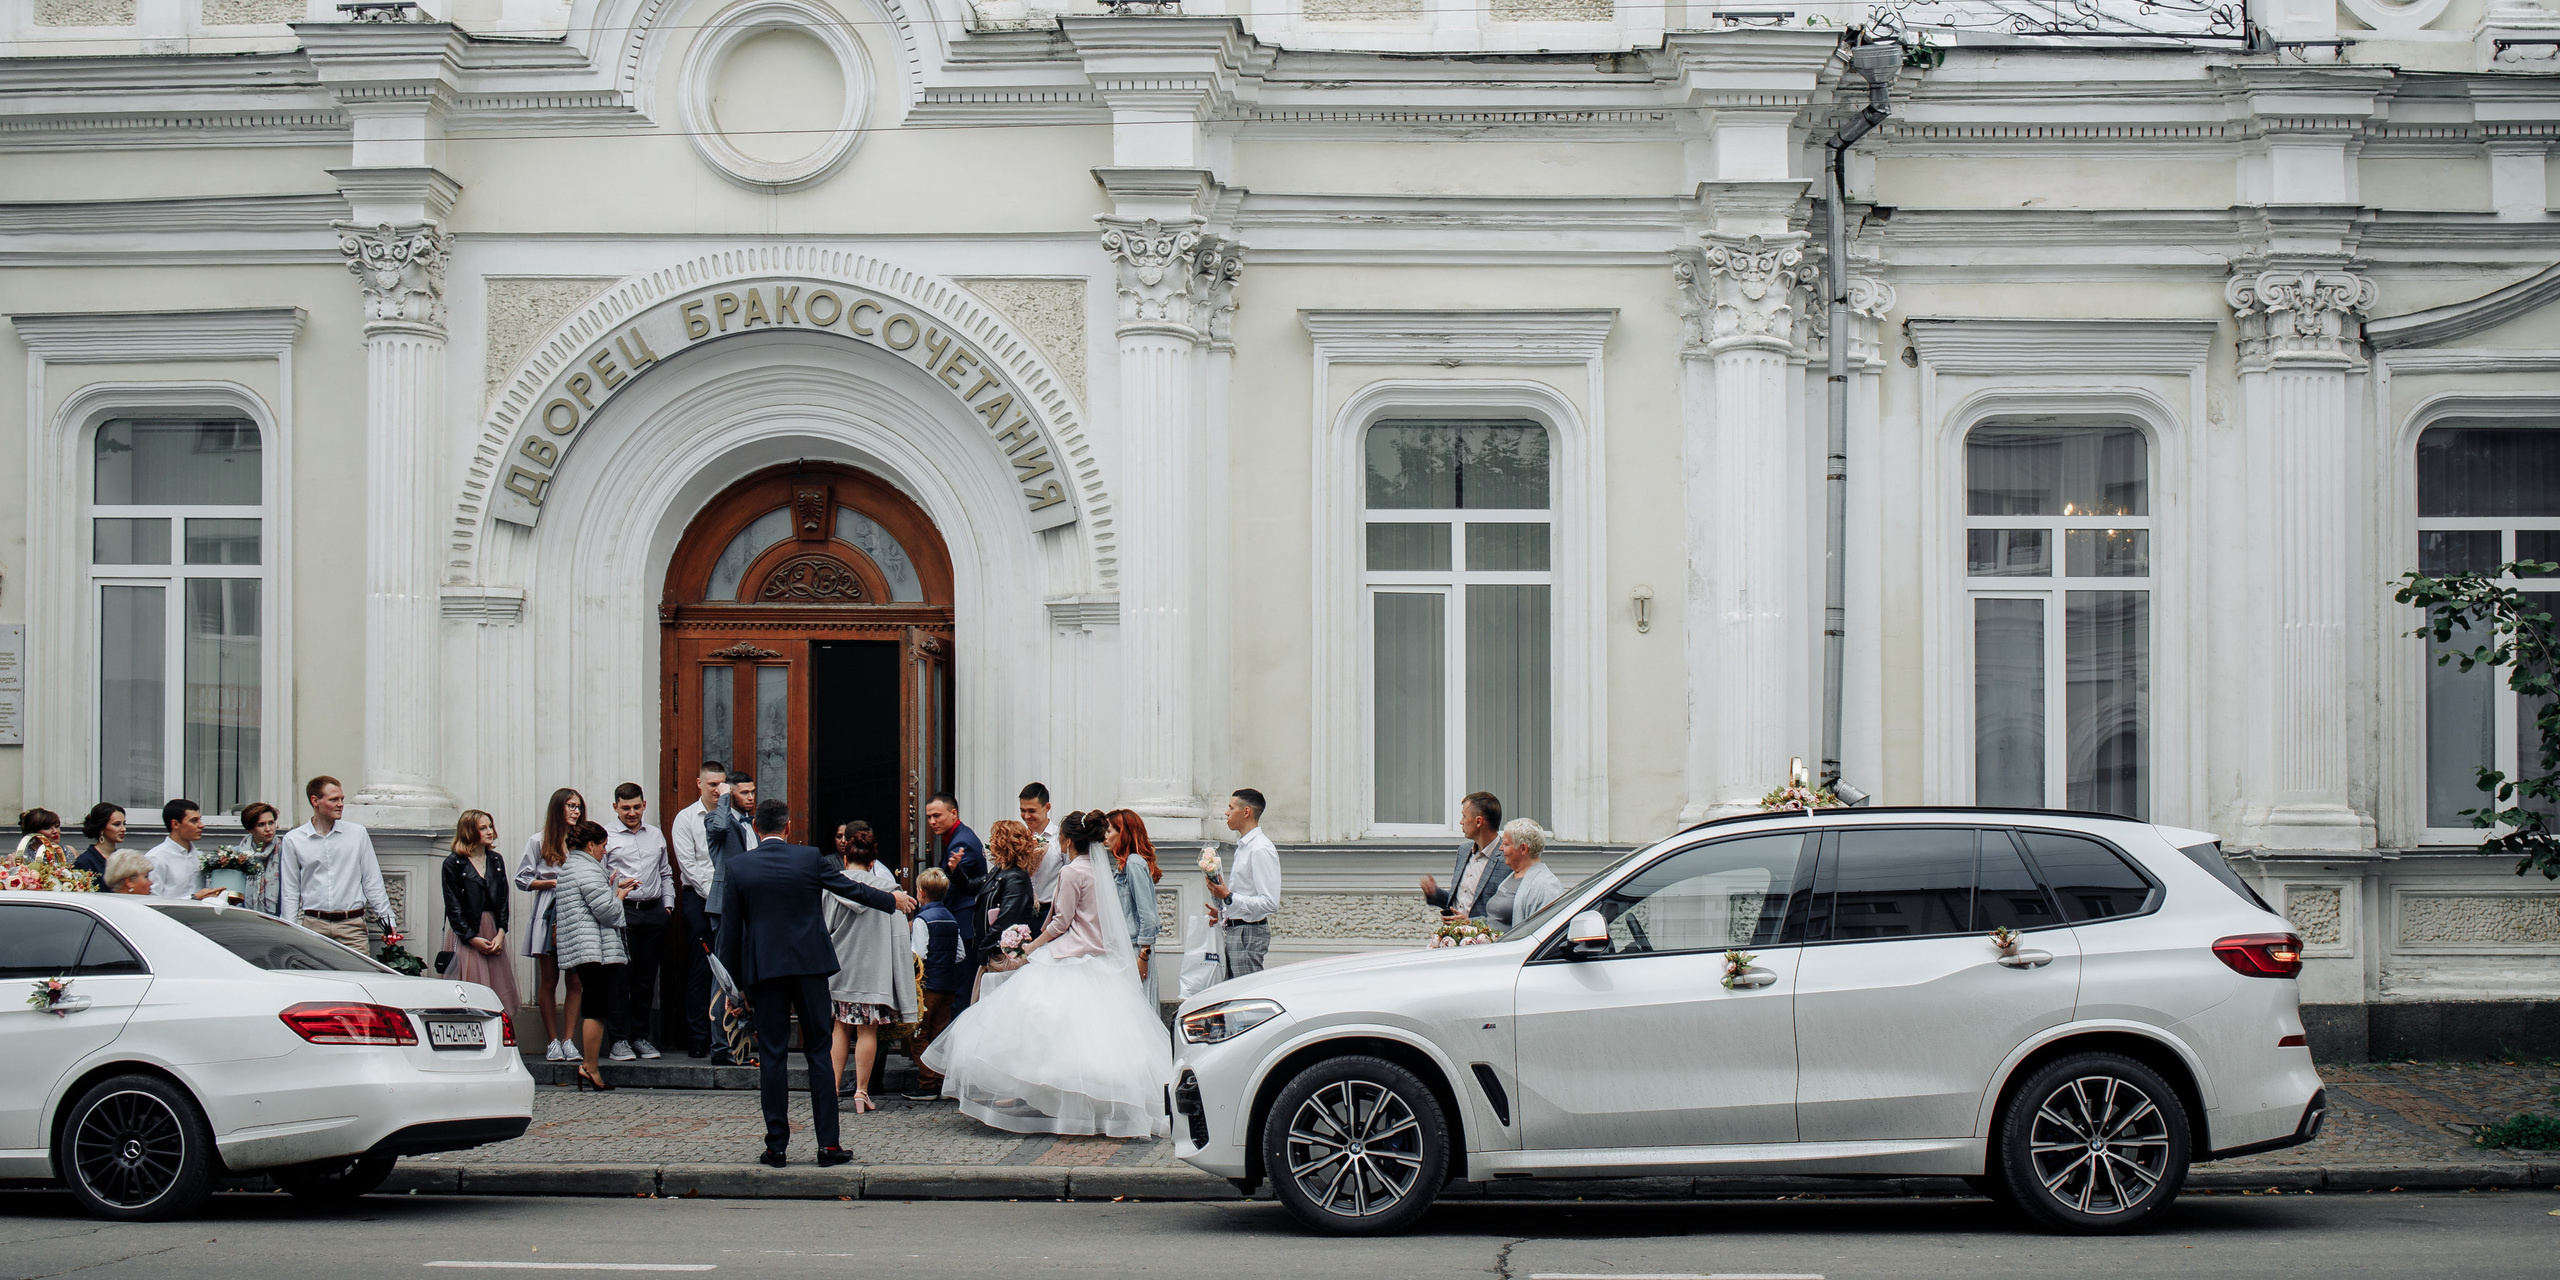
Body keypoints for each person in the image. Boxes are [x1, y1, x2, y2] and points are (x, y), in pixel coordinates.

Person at [920, 810, 1174, 1138]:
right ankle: (1089, 1105)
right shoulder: (1100, 872)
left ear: (1066, 840)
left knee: (1047, 1028)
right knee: (1097, 1037)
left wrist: (1031, 947)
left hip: (1070, 955)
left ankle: (1060, 1102)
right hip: (1097, 958)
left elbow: (1060, 922)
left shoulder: (1071, 873)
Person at [714, 797, 913, 1168]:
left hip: (765, 970)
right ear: (788, 828)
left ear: (756, 829)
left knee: (772, 1055)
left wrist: (732, 988)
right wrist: (892, 899)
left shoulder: (739, 866)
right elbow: (850, 888)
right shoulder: (808, 858)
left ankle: (776, 1147)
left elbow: (730, 933)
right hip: (809, 967)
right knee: (819, 1053)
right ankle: (828, 1146)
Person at [825, 820, 916, 1115]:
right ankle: (861, 1092)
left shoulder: (833, 887)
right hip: (874, 972)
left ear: (846, 858)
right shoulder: (891, 892)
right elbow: (899, 938)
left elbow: (823, 928)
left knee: (840, 1029)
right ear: (873, 861)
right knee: (867, 1032)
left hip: (841, 968)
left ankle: (832, 1089)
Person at [552, 819, 635, 1093]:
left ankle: (590, 1067)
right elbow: (608, 912)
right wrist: (620, 895)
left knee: (595, 1007)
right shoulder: (587, 869)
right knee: (597, 1010)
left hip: (588, 948)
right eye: (602, 846)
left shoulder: (573, 867)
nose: (604, 851)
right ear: (590, 845)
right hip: (595, 950)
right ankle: (590, 1068)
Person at [277, 776, 398, 949]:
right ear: (315, 801)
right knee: (315, 975)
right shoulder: (294, 839)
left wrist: (388, 920)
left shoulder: (357, 834)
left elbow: (372, 880)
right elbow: (290, 890)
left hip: (352, 925)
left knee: (359, 975)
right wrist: (290, 929)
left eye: (342, 799)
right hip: (313, 926)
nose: (340, 804)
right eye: (334, 799)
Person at [604, 783, 674, 1062]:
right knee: (621, 978)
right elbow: (599, 876)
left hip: (653, 912)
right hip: (623, 913)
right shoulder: (605, 836)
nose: (632, 813)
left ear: (644, 804)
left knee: (646, 979)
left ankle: (641, 1037)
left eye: (636, 807)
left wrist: (667, 907)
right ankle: (619, 1040)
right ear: (615, 808)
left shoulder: (655, 835)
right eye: (625, 808)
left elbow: (666, 872)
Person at [517, 788, 588, 1063]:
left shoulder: (582, 841)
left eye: (579, 807)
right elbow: (522, 879)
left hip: (576, 910)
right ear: (558, 808)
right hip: (548, 909)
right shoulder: (539, 840)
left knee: (575, 979)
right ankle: (552, 1041)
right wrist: (550, 883)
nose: (576, 811)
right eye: (571, 806)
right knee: (548, 979)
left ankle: (569, 1039)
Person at [440, 809, 522, 1015]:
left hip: (492, 929)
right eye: (483, 828)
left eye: (490, 826)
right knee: (470, 989)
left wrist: (501, 932)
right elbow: (453, 906)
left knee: (497, 988)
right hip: (468, 931)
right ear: (469, 832)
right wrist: (471, 938)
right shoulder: (453, 863)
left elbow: (503, 899)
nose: (490, 831)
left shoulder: (495, 860)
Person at [669, 760, 725, 1058]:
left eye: (721, 783)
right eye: (712, 784)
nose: (718, 789)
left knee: (728, 967)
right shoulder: (686, 818)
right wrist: (713, 896)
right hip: (698, 899)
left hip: (729, 900)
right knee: (701, 968)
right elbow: (688, 865)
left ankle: (727, 1034)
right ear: (699, 784)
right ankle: (697, 1037)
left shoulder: (733, 817)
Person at [904, 869, 966, 1102]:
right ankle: (941, 1079)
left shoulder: (922, 919)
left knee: (919, 1033)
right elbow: (960, 954)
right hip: (948, 984)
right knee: (939, 1033)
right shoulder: (951, 917)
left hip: (928, 985)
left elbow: (918, 954)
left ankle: (927, 1081)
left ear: (920, 893)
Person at [923, 793, 986, 1011]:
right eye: (929, 817)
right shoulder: (958, 837)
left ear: (953, 813)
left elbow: (948, 888)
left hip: (965, 926)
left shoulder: (962, 842)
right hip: (960, 923)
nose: (932, 822)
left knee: (962, 992)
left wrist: (926, 916)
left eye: (937, 815)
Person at [1211, 789, 1281, 980]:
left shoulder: (1260, 848)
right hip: (1237, 929)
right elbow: (1246, 894)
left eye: (1231, 808)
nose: (1226, 813)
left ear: (1246, 812)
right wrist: (1223, 912)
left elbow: (1269, 903)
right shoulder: (1244, 846)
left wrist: (1229, 897)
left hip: (1248, 932)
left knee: (1246, 998)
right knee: (1234, 998)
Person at [973, 820, 1039, 1002]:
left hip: (1004, 957)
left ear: (1004, 844)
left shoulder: (1015, 878)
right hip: (994, 953)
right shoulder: (999, 872)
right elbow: (973, 887)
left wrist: (984, 947)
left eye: (995, 839)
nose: (991, 843)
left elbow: (1006, 919)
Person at [1419, 791, 1510, 924]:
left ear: (1478, 821)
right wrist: (1435, 894)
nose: (1461, 822)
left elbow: (1507, 916)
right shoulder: (1464, 851)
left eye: (1464, 816)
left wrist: (1470, 923)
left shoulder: (1507, 859)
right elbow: (1458, 902)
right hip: (1455, 938)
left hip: (1482, 942)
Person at [1103, 809, 1164, 990]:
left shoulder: (1134, 863)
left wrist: (1144, 955)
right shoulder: (1124, 864)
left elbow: (1147, 914)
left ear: (1123, 833)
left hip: (1135, 948)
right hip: (1125, 946)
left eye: (1109, 831)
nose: (1105, 836)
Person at [1486, 818, 1564, 932]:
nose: (1500, 848)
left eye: (1506, 844)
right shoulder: (1513, 875)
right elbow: (1497, 919)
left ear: (1523, 849)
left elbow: (1544, 934)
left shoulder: (1547, 886)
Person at [145, 799, 228, 902]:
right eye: (194, 820)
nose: (201, 825)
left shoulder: (198, 855)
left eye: (200, 819)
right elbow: (151, 900)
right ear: (175, 824)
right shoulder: (156, 857)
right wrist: (193, 898)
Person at [224, 803, 285, 915]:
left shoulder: (285, 851)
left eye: (271, 823)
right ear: (250, 829)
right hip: (245, 916)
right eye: (261, 825)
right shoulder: (236, 854)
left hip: (279, 917)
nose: (268, 829)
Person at [1017, 783, 1062, 921]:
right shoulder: (1018, 838)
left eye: (1032, 811)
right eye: (1023, 810)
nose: (1026, 816)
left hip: (1049, 911)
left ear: (1047, 807)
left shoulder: (1059, 839)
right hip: (1020, 910)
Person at [75, 803, 125, 891]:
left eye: (124, 824)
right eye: (117, 824)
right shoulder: (84, 862)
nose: (123, 829)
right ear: (101, 828)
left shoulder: (123, 858)